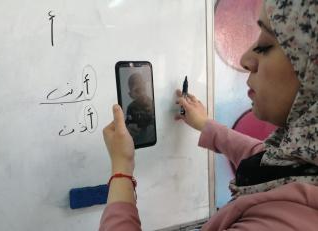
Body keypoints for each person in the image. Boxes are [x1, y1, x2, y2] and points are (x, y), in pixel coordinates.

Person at [99, 0, 318, 230]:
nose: (245, 59)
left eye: (264, 44)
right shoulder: (302, 161)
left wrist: (122, 168)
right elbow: (264, 160)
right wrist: (205, 124)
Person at [125, 73, 155, 145]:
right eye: (137, 90)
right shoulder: (131, 107)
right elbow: (127, 123)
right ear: (131, 95)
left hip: (151, 139)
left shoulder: (152, 103)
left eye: (143, 89)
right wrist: (128, 128)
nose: (142, 93)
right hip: (138, 140)